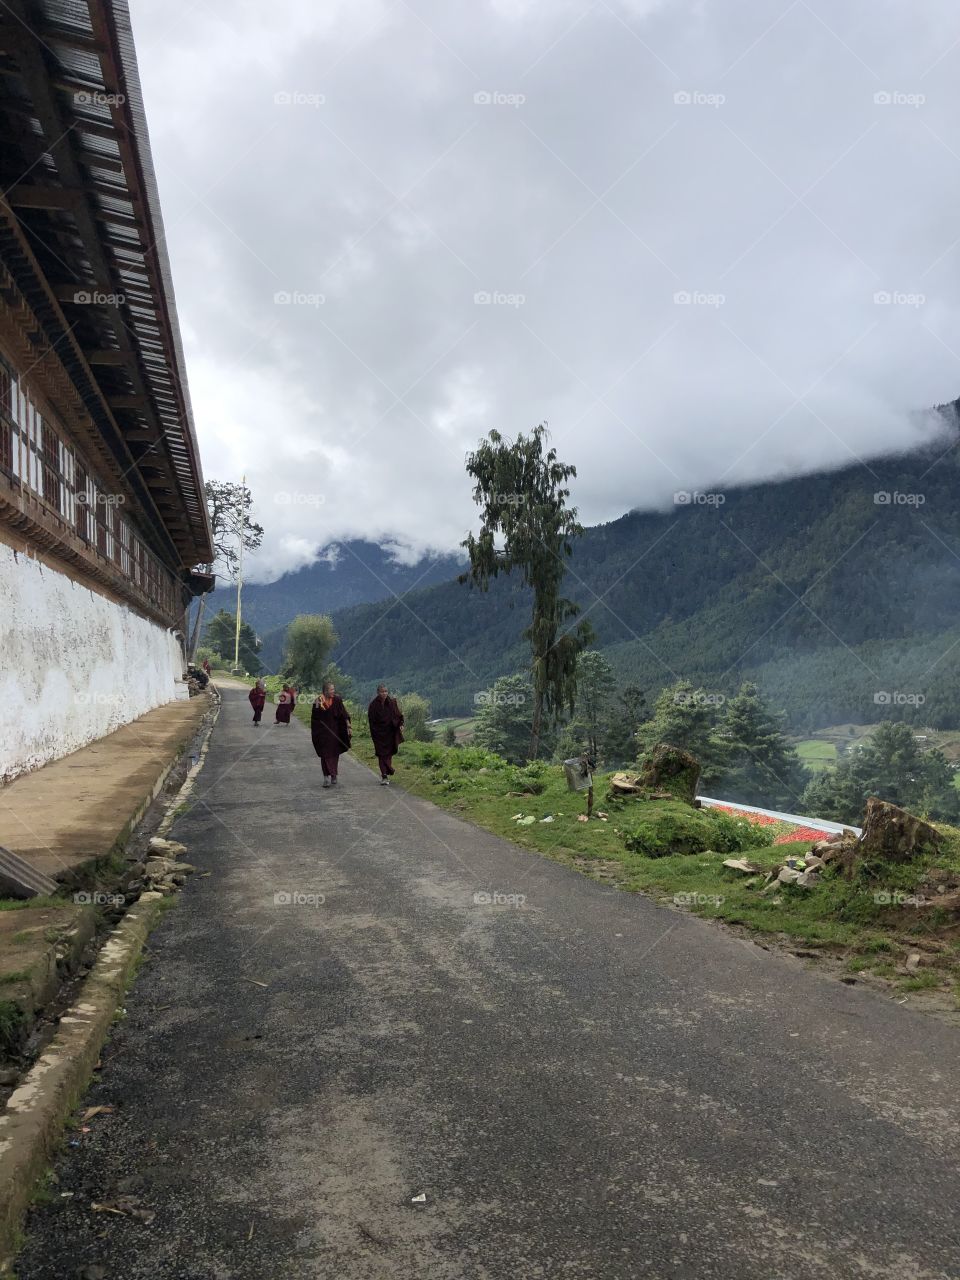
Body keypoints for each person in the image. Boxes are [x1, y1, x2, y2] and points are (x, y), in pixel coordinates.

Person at [311, 680, 351, 786]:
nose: (333, 691)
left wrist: (348, 724)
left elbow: (343, 713)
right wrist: (317, 732)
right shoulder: (318, 702)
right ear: (325, 691)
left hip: (335, 732)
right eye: (331, 689)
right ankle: (326, 777)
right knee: (325, 755)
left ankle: (333, 775)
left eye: (334, 689)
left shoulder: (337, 700)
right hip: (322, 733)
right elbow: (314, 718)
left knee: (334, 754)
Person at [367, 683, 404, 785]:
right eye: (382, 692)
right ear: (378, 693)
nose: (384, 694)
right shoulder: (373, 705)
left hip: (390, 732)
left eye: (386, 691)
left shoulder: (392, 703)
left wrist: (400, 724)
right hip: (378, 734)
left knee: (388, 754)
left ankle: (387, 771)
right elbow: (371, 720)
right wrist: (375, 732)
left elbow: (398, 715)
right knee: (381, 754)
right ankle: (384, 775)